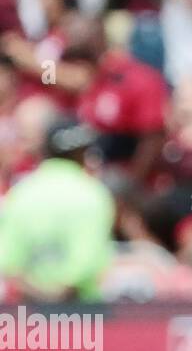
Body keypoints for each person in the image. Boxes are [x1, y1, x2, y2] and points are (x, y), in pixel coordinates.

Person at [0, 116, 115, 300]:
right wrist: (58, 298)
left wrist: (42, 297)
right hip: (85, 319)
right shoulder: (92, 194)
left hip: (30, 320)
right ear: (82, 153)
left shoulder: (20, 193)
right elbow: (86, 265)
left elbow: (8, 264)